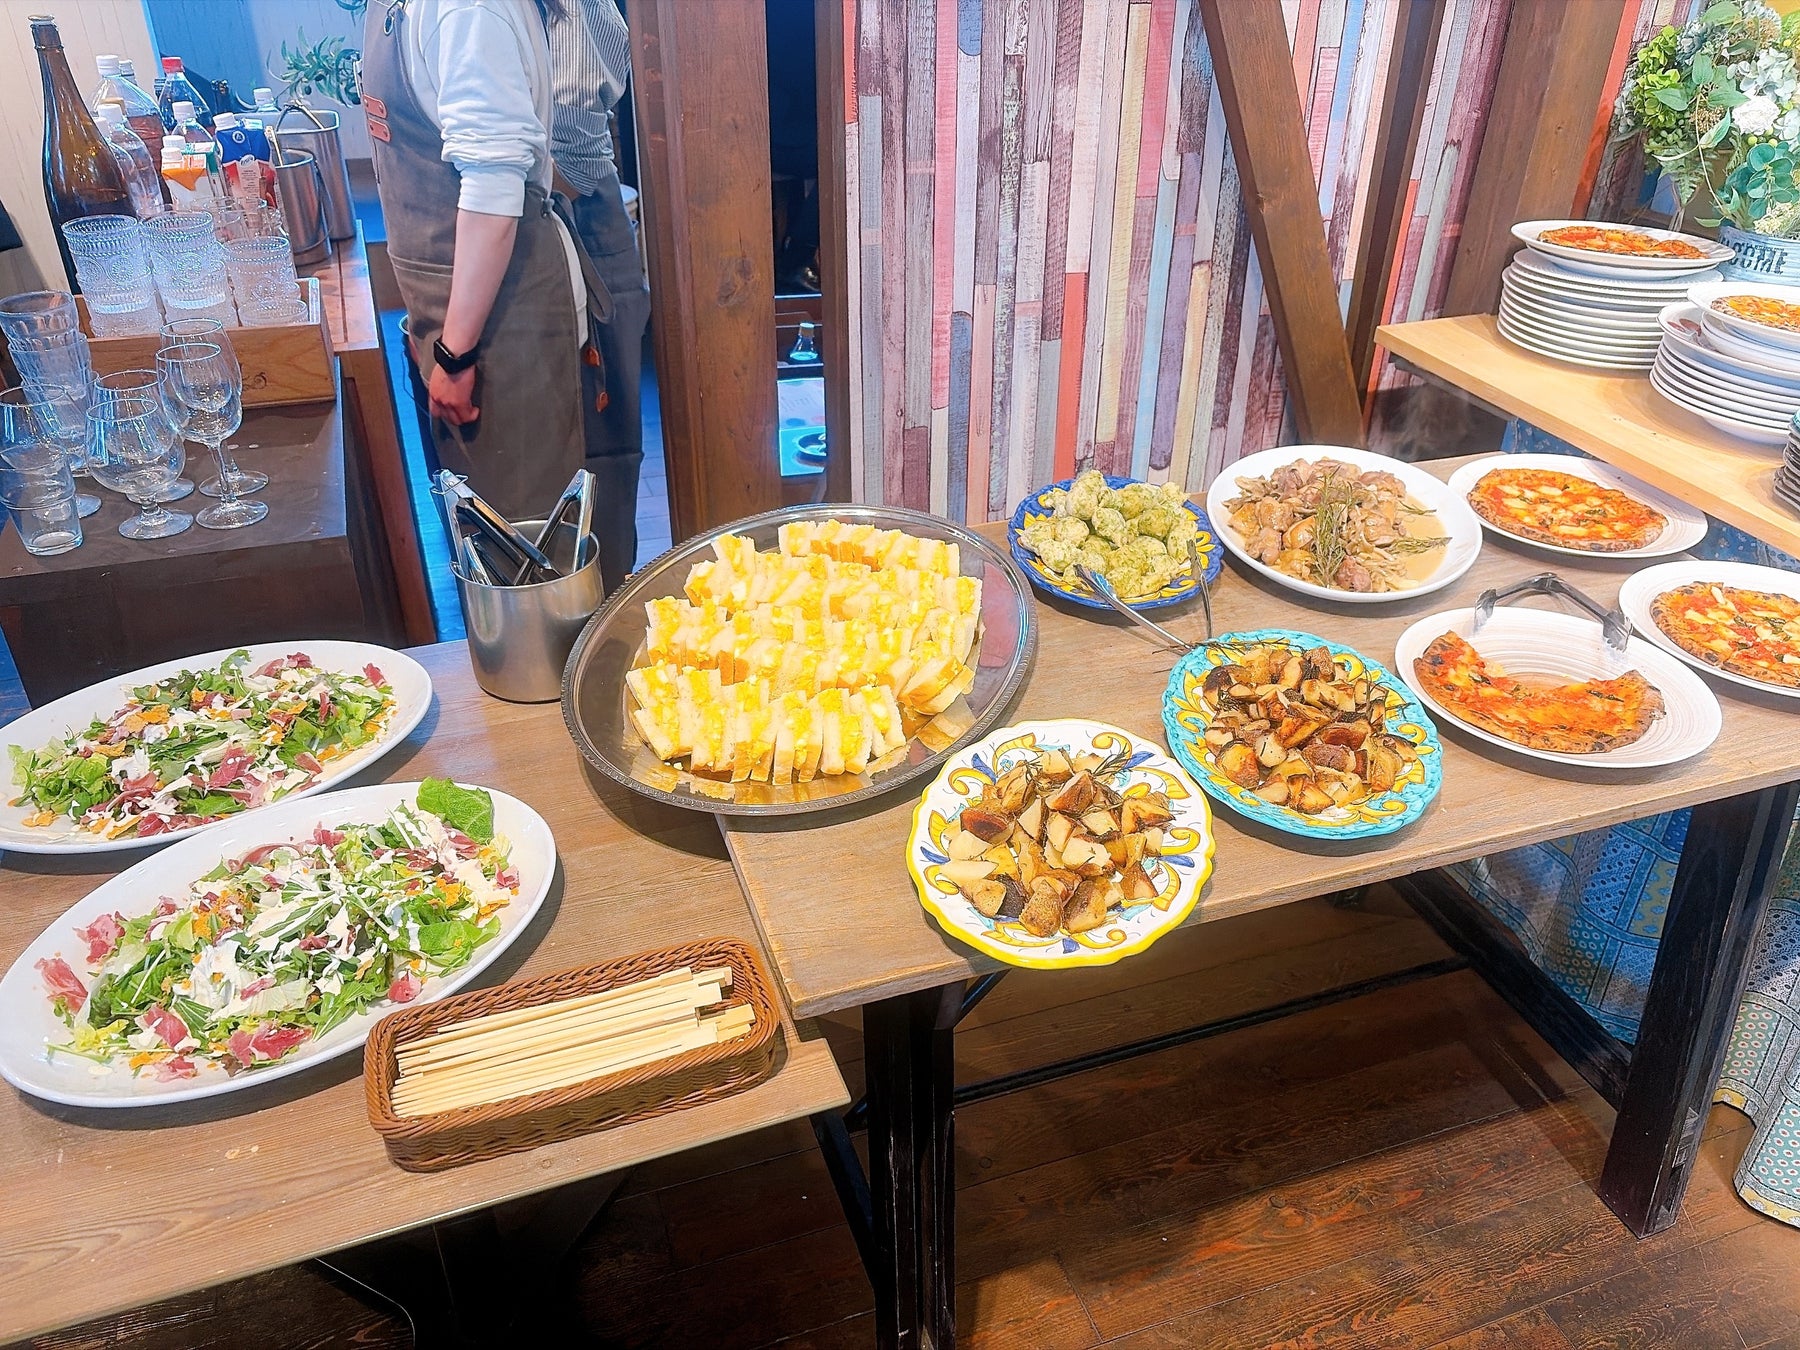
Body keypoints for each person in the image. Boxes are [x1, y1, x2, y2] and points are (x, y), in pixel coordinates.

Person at [361, 0, 588, 521]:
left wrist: (455, 355)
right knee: (482, 535)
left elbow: (492, 191)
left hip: (502, 330)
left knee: (527, 546)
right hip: (454, 318)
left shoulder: (467, 8)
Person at [546, 0, 649, 592]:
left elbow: (571, 125)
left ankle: (598, 617)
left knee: (598, 448)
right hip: (516, 210)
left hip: (569, 204)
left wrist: (512, 204)